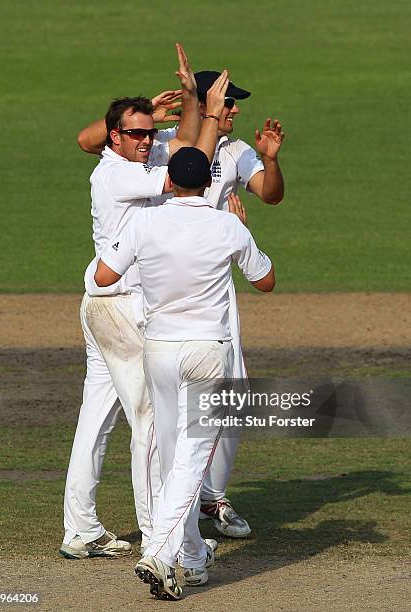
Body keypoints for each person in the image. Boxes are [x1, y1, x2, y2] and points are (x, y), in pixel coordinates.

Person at [77, 69, 285, 539]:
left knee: (225, 395)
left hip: (199, 278)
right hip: (154, 284)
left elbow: (270, 194)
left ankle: (208, 499)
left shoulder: (234, 151)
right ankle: (168, 532)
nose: (234, 111)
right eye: (227, 104)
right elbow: (90, 140)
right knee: (159, 419)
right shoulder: (166, 138)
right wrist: (162, 115)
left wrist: (270, 162)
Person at [60, 43, 228, 559]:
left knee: (96, 418)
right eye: (135, 133)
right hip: (122, 306)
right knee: (150, 422)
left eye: (148, 133)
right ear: (115, 137)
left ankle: (80, 529)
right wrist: (208, 116)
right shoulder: (118, 172)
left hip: (103, 303)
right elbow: (190, 169)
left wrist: (189, 103)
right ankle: (160, 535)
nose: (146, 140)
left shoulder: (143, 151)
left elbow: (180, 145)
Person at [94, 146, 275, 600]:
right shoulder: (226, 224)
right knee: (192, 461)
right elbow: (266, 280)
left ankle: (192, 561)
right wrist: (240, 236)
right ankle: (159, 550)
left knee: (173, 456)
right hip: (205, 351)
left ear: (169, 180)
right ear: (208, 184)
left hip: (159, 350)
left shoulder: (142, 222)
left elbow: (103, 276)